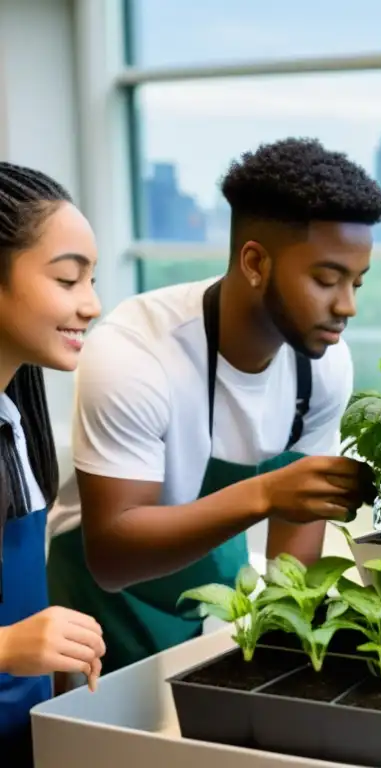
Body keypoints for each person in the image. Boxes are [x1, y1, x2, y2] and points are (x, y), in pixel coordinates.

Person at [46, 138, 381, 675]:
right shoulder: (135, 352)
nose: (347, 306)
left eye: (357, 282)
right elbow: (113, 557)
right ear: (255, 261)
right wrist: (267, 492)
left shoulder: (323, 363)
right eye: (326, 280)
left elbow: (291, 562)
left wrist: (287, 651)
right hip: (103, 608)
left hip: (211, 580)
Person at [0, 162, 106, 765]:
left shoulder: (18, 423)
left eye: (91, 280)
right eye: (68, 280)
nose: (90, 305)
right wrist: (9, 645)